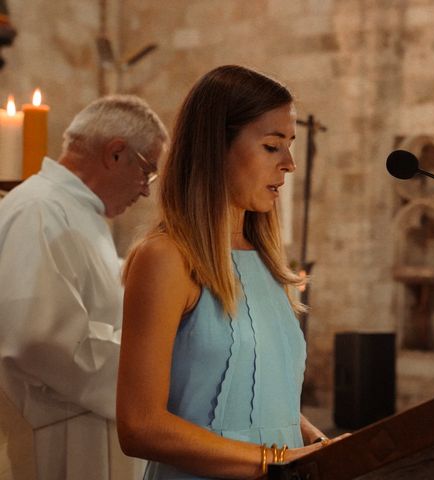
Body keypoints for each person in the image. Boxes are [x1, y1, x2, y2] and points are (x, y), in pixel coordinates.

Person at [117, 65, 339, 479]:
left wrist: (313, 442)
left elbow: (269, 398)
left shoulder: (270, 262)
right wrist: (274, 461)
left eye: (290, 145)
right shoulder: (167, 258)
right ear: (215, 146)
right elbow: (139, 425)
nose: (289, 164)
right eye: (273, 146)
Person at [0, 94, 169, 480]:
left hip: (85, 426)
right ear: (115, 154)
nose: (146, 189)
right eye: (148, 171)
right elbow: (39, 340)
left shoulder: (77, 211)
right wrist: (150, 361)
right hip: (58, 440)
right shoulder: (38, 210)